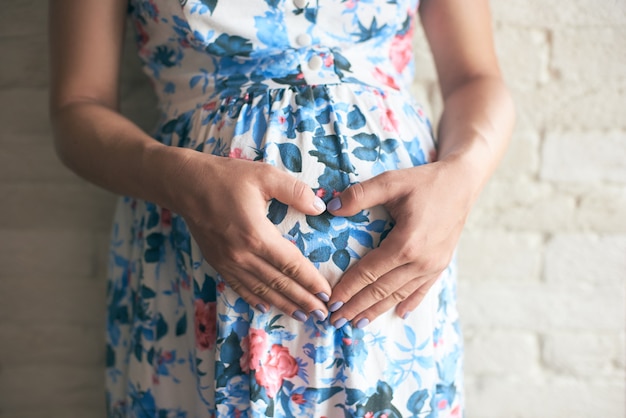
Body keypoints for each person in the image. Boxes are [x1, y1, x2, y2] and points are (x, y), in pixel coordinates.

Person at [49, 0, 514, 416]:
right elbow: (77, 107)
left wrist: (463, 176)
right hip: (193, 267)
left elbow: (476, 77)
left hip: (398, 290)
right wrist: (179, 179)